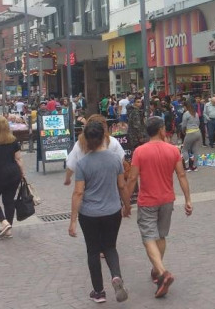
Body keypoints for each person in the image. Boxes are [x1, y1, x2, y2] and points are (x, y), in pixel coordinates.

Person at [124, 117, 193, 299]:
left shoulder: (140, 151)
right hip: (167, 199)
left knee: (148, 237)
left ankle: (162, 273)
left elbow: (132, 179)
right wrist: (187, 199)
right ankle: (156, 270)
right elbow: (181, 175)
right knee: (160, 236)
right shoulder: (172, 150)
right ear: (162, 130)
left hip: (147, 200)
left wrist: (125, 203)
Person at [68, 121, 130, 303]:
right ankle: (116, 276)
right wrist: (127, 206)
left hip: (89, 214)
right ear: (104, 137)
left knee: (93, 251)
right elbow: (122, 185)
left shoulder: (82, 163)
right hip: (112, 211)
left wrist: (73, 220)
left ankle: (99, 291)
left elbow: (78, 192)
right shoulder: (115, 159)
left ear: (86, 140)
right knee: (110, 247)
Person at [64, 115, 126, 186]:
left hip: (87, 186)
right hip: (110, 184)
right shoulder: (112, 141)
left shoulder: (79, 144)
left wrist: (67, 179)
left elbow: (71, 165)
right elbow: (121, 160)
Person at [181, 101, 201, 171]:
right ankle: (195, 166)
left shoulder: (186, 114)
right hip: (198, 132)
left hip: (190, 133)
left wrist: (183, 131)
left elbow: (183, 125)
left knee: (185, 150)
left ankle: (187, 167)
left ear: (186, 107)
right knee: (195, 150)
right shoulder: (196, 113)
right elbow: (198, 123)